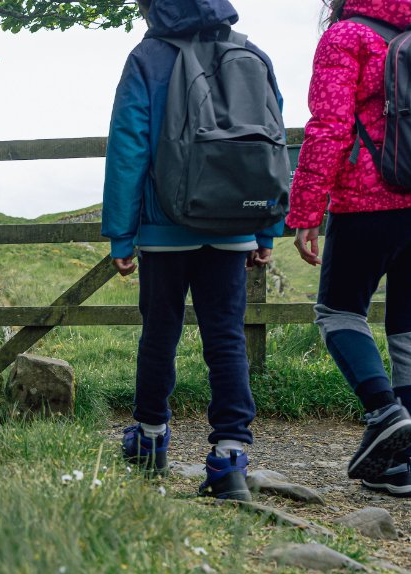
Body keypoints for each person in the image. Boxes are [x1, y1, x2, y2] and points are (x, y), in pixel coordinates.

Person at [102, 0, 284, 500]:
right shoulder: (253, 54)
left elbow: (128, 145)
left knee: (160, 330)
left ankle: (150, 440)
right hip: (234, 223)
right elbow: (273, 143)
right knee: (226, 337)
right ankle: (230, 459)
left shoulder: (147, 58)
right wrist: (266, 227)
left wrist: (122, 234)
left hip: (165, 225)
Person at [289, 0, 411, 496]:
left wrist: (305, 210)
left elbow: (329, 127)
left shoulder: (347, 36)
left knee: (338, 312)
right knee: (409, 329)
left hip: (366, 200)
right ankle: (400, 466)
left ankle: (384, 411)